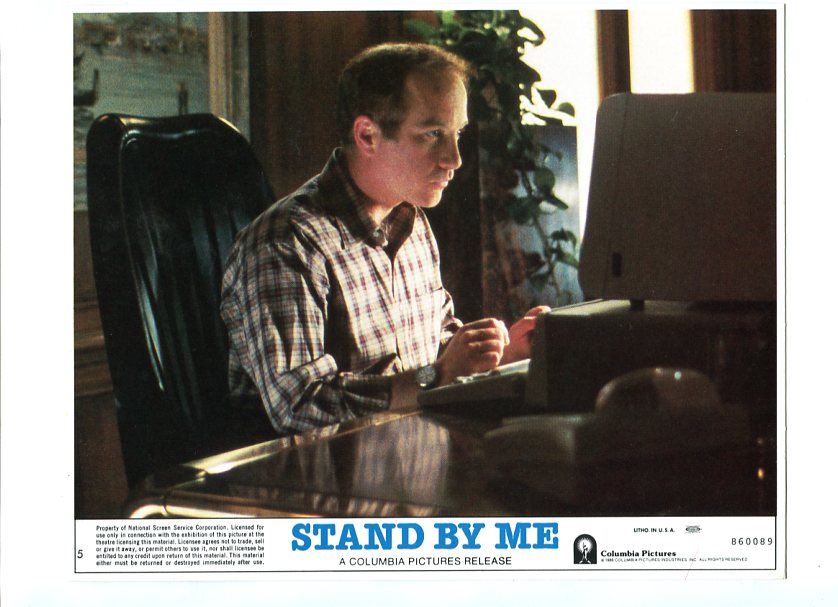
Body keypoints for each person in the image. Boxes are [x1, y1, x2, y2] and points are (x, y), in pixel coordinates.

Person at [220, 42, 548, 436]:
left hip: (405, 456)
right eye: (433, 134)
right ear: (367, 135)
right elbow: (299, 404)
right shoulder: (286, 243)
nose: (455, 158)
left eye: (457, 133)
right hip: (313, 470)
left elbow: (433, 352)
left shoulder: (412, 223)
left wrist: (498, 357)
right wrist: (437, 375)